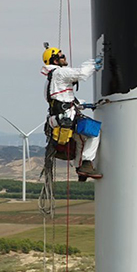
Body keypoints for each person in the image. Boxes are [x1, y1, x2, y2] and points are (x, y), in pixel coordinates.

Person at [41, 45, 103, 180]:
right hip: (65, 117)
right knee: (95, 133)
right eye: (62, 56)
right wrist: (93, 63)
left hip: (57, 119)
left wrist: (81, 105)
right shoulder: (59, 73)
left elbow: (59, 99)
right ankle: (86, 164)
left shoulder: (50, 80)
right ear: (55, 60)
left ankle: (80, 169)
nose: (65, 57)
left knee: (80, 139)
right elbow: (81, 73)